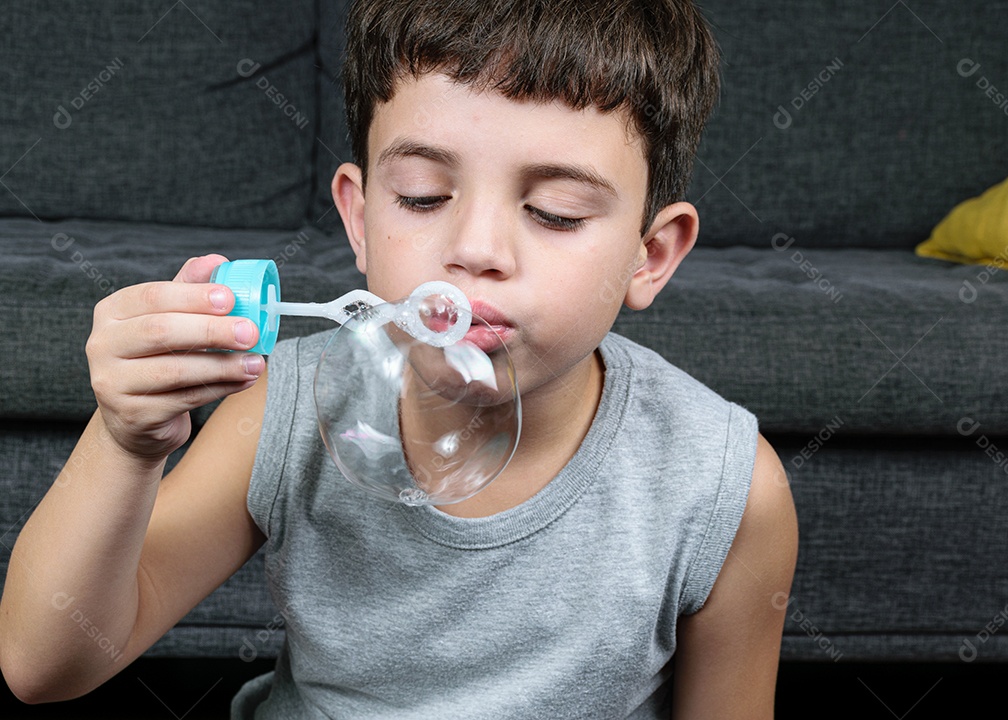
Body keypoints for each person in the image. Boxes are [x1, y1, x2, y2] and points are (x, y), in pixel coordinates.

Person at [0, 0, 798, 716]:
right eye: (421, 195)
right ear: (358, 218)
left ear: (649, 256)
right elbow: (47, 666)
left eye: (555, 212)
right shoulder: (284, 410)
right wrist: (123, 443)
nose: (473, 250)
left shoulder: (721, 485)